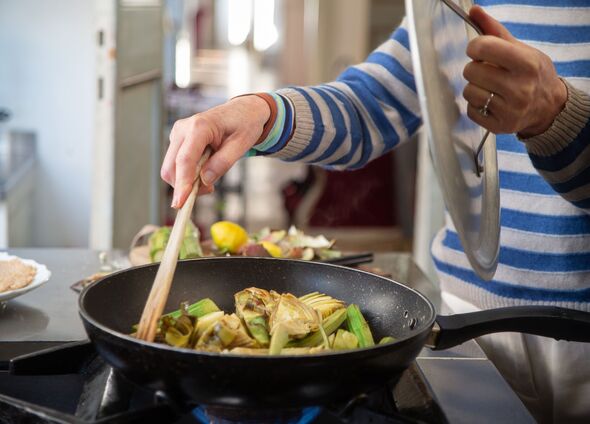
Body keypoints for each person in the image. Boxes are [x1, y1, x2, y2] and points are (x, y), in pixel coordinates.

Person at [161, 3, 590, 423]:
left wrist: (556, 114)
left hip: (580, 336)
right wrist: (261, 112)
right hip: (465, 319)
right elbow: (371, 105)